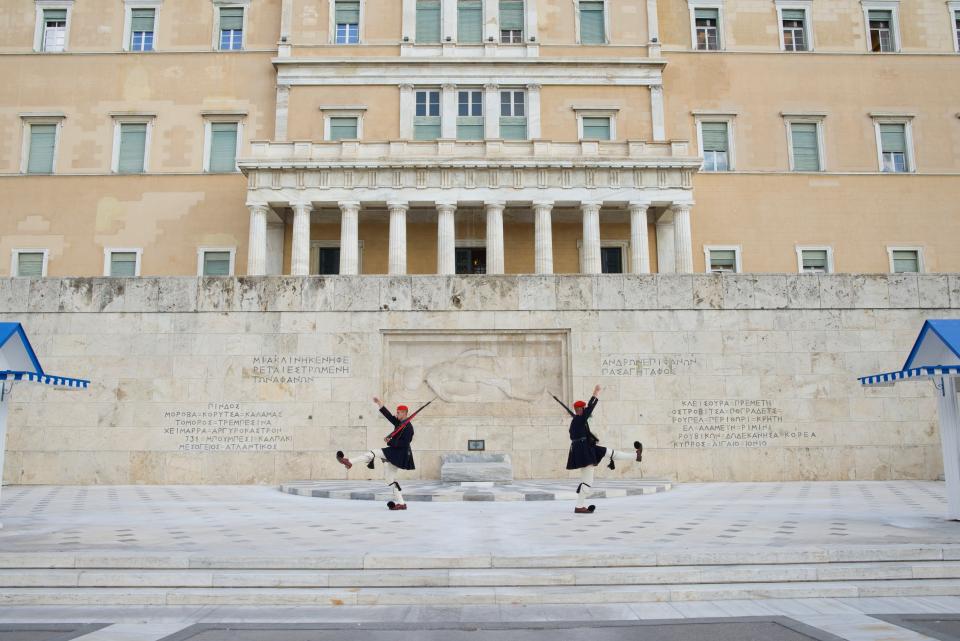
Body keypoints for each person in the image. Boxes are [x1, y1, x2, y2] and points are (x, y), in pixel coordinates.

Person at [564, 384, 643, 514]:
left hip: (588, 449)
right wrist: (595, 392)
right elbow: (591, 407)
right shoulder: (578, 419)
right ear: (580, 410)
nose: (586, 411)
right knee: (587, 481)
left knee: (610, 452)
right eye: (583, 409)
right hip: (584, 453)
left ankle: (636, 456)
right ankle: (579, 506)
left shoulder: (577, 421)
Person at [336, 396, 416, 511]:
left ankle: (349, 462)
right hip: (395, 453)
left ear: (404, 413)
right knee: (389, 479)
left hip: (399, 454)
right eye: (397, 412)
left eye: (398, 413)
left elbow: (404, 443)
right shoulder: (399, 423)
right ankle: (401, 503)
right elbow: (388, 416)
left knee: (374, 452)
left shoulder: (409, 428)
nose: (396, 414)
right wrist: (379, 404)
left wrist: (390, 441)